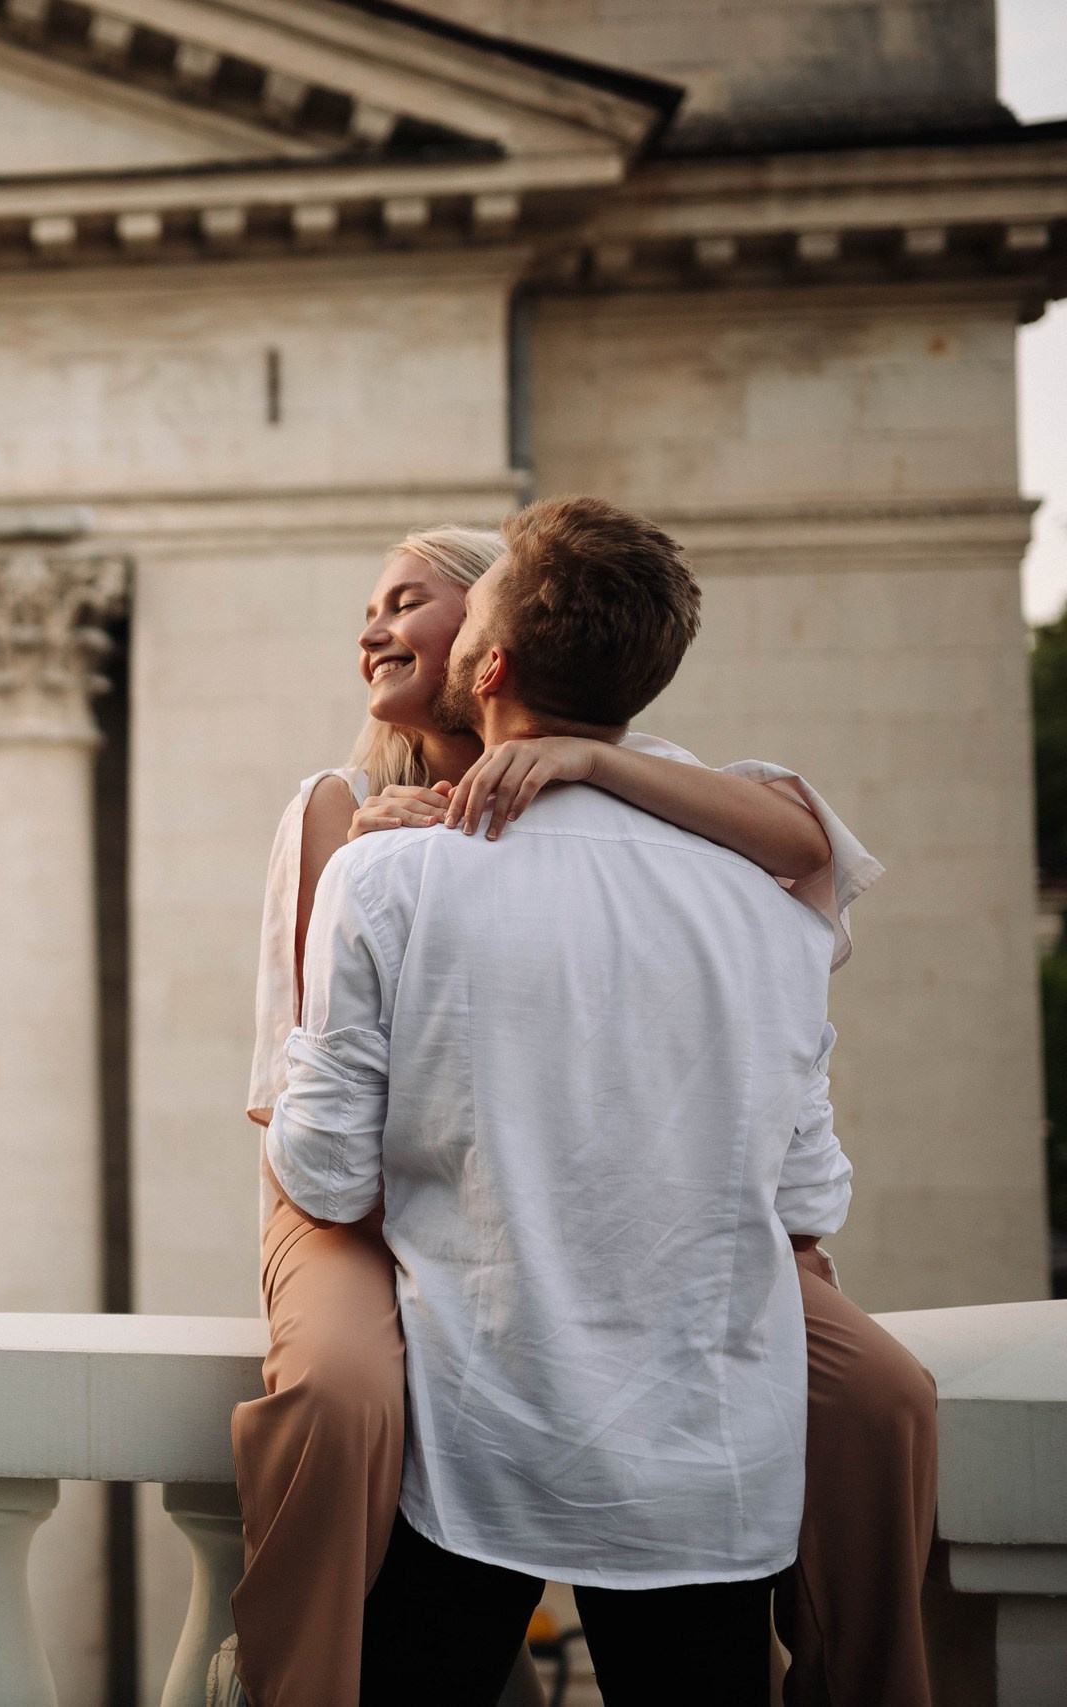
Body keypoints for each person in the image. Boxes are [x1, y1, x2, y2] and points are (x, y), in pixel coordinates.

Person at [229, 518, 937, 1707]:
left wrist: (593, 765)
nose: (374, 626)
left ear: (487, 644)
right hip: (358, 1187)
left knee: (886, 1396)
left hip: (506, 1190)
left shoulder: (661, 786)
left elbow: (808, 843)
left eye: (410, 599)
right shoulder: (347, 818)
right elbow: (322, 1140)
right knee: (348, 1395)